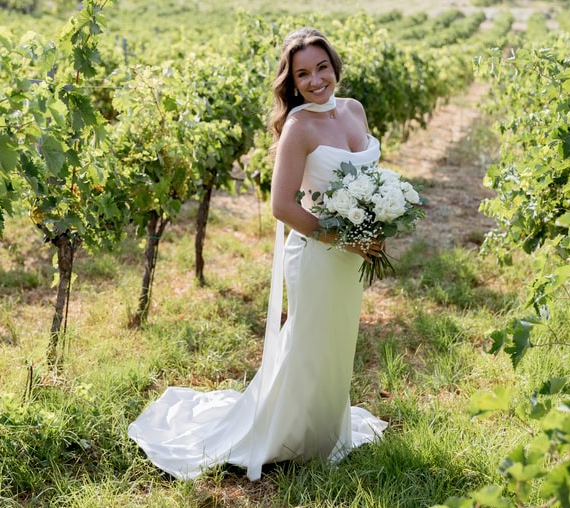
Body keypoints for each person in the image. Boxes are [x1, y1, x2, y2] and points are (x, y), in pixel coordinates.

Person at [128, 28, 388, 480]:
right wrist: (345, 238)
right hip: (318, 253)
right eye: (303, 73)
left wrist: (377, 221)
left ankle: (326, 429)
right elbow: (282, 206)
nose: (315, 80)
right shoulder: (299, 127)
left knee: (338, 342)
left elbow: (368, 177)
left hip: (352, 254)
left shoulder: (354, 110)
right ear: (292, 81)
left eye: (322, 67)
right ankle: (290, 434)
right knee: (309, 343)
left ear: (335, 66)